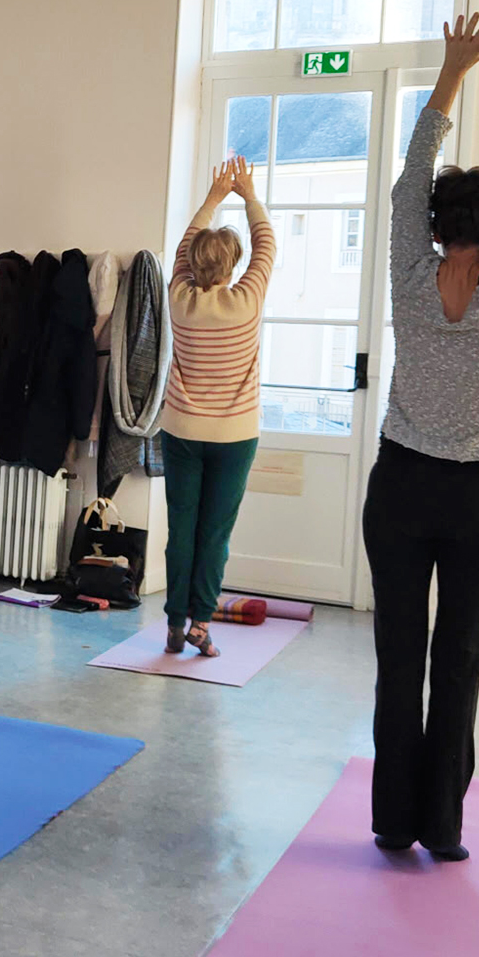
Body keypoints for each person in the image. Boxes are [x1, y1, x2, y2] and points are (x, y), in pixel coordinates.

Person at [366, 0, 479, 863]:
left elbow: (410, 178)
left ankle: (395, 822)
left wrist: (452, 73)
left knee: (400, 656)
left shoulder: (410, 273)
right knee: (460, 658)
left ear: (435, 226)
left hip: (401, 487)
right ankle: (442, 827)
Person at [161, 155, 276, 657]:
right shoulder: (246, 300)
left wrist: (214, 195)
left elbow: (186, 246)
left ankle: (172, 623)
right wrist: (247, 193)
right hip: (234, 437)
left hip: (182, 431)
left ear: (192, 265)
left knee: (181, 529)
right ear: (232, 266)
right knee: (215, 534)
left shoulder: (180, 298)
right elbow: (268, 245)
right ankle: (201, 625)